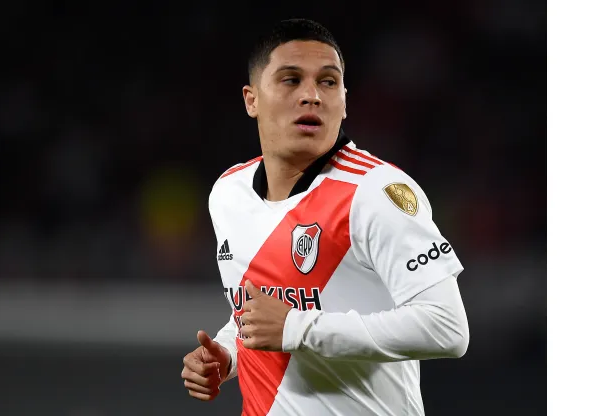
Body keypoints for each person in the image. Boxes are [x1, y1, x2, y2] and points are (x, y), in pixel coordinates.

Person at [181, 18, 470, 416]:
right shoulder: (229, 194)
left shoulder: (375, 192)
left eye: (329, 82)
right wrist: (227, 354)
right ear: (252, 100)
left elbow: (447, 328)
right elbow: (255, 315)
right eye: (290, 80)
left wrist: (298, 329)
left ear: (345, 100)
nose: (312, 95)